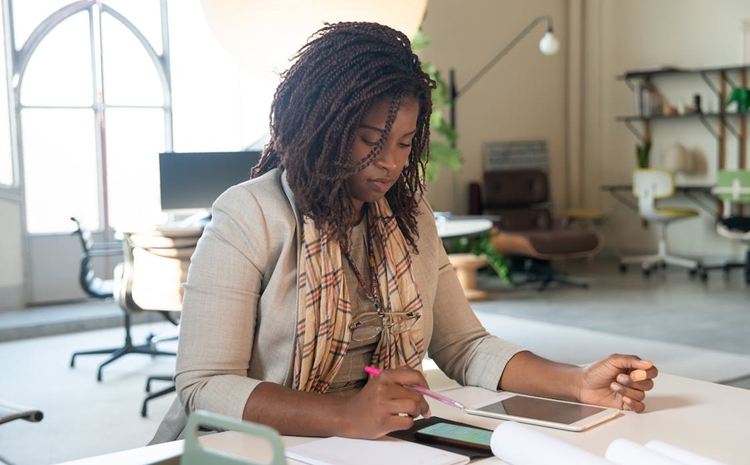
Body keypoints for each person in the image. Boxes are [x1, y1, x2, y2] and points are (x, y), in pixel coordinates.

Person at [150, 21, 657, 443]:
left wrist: (576, 382)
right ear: (321, 125)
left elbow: (466, 346)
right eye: (370, 141)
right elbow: (205, 384)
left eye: (403, 143)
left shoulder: (409, 217)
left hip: (375, 444)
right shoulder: (250, 214)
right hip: (251, 448)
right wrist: (346, 415)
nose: (389, 163)